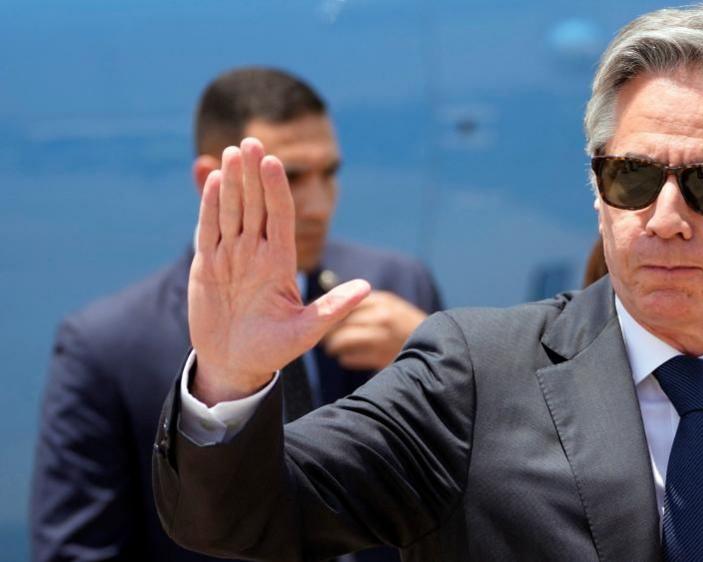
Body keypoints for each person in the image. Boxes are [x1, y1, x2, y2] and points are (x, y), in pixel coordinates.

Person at [153, 6, 703, 561]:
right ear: (597, 191)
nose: (664, 217)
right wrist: (230, 380)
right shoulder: (473, 376)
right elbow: (247, 521)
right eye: (630, 177)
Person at [30, 67, 440, 562]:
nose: (317, 206)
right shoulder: (106, 346)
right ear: (212, 182)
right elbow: (78, 550)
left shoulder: (396, 288)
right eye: (289, 178)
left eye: (329, 173)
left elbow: (471, 487)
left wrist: (432, 361)